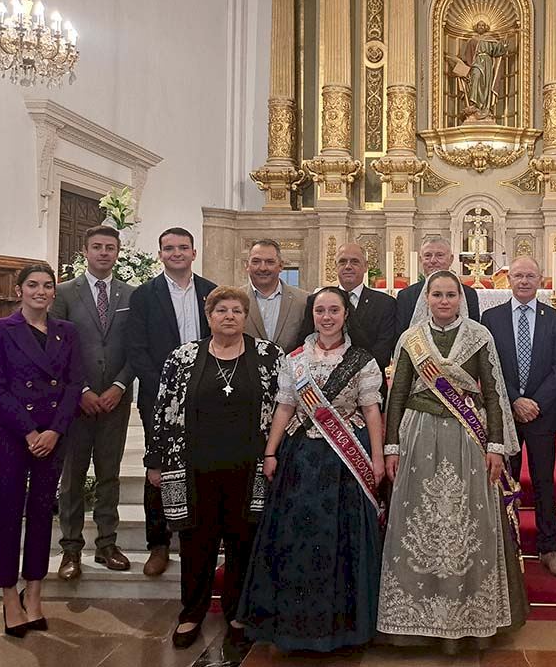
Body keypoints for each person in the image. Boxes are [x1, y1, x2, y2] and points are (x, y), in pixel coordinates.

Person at [378, 271, 527, 650]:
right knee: (420, 521)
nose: (444, 301)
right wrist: (391, 446)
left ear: (460, 298)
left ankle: (470, 619)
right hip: (418, 434)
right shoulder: (410, 339)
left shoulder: (479, 336)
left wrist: (496, 445)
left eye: (450, 295)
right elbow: (397, 396)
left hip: (468, 439)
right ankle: (414, 622)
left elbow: (493, 394)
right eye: (437, 295)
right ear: (426, 298)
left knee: (466, 522)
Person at [237, 287, 384, 652]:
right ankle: (294, 627)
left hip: (345, 460)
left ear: (346, 315)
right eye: (320, 311)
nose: (327, 317)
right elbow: (285, 406)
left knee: (342, 541)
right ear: (312, 315)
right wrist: (270, 452)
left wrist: (378, 458)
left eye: (334, 310)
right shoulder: (295, 359)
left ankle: (343, 630)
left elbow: (371, 410)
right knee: (296, 538)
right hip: (300, 458)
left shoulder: (362, 360)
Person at [145, 286, 285, 649]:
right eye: (221, 310)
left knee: (243, 540)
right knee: (196, 542)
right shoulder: (183, 357)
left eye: (237, 310)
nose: (229, 316)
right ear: (208, 316)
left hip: (249, 467)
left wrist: (276, 455)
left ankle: (238, 613)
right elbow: (162, 409)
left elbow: (284, 408)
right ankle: (192, 613)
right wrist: (155, 460)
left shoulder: (269, 355)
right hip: (195, 467)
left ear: (246, 317)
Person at [0, 263, 83, 637]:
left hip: (53, 436)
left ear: (54, 292)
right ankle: (10, 598)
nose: (40, 291)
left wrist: (54, 431)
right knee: (9, 514)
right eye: (33, 285)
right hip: (12, 436)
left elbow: (74, 385)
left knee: (41, 513)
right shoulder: (0, 329)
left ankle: (35, 595)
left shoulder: (66, 331)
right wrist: (29, 432)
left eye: (47, 285)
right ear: (19, 290)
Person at [127, 227, 217, 577]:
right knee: (159, 469)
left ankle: (200, 532)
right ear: (160, 254)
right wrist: (168, 389)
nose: (176, 253)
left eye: (183, 247)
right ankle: (159, 543)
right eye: (169, 248)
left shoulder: (210, 292)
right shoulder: (144, 295)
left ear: (194, 252)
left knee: (204, 464)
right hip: (158, 397)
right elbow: (136, 349)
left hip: (206, 396)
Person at [481, 255, 556, 578]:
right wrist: (515, 400)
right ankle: (507, 546)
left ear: (541, 281)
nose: (523, 281)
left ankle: (549, 548)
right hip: (505, 413)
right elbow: (488, 366)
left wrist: (534, 402)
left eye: (530, 276)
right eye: (518, 276)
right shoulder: (491, 318)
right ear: (508, 280)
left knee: (544, 480)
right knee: (505, 481)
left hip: (542, 414)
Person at [52, 225, 135, 581]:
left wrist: (119, 385)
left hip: (116, 400)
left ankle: (106, 544)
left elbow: (137, 346)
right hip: (75, 403)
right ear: (85, 252)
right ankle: (71, 549)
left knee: (109, 474)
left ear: (118, 252)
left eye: (110, 247)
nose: (104, 253)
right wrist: (81, 390)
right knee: (72, 477)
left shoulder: (131, 294)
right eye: (97, 247)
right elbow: (56, 347)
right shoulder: (64, 293)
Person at [296, 242, 396, 398]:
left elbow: (382, 355)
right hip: (320, 390)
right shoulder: (316, 301)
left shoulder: (385, 303)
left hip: (369, 388)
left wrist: (344, 380)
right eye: (342, 261)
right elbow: (304, 343)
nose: (348, 266)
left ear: (366, 266)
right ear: (335, 266)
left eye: (355, 261)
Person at [395, 236, 480, 338]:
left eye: (439, 255)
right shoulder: (406, 296)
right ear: (421, 260)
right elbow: (401, 337)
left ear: (451, 259)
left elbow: (475, 333)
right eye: (427, 256)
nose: (433, 260)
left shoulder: (469, 294)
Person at [243, 239, 309, 353]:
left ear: (281, 265)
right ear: (247, 265)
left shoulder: (304, 300)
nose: (263, 268)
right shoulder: (234, 300)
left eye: (270, 262)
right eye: (256, 261)